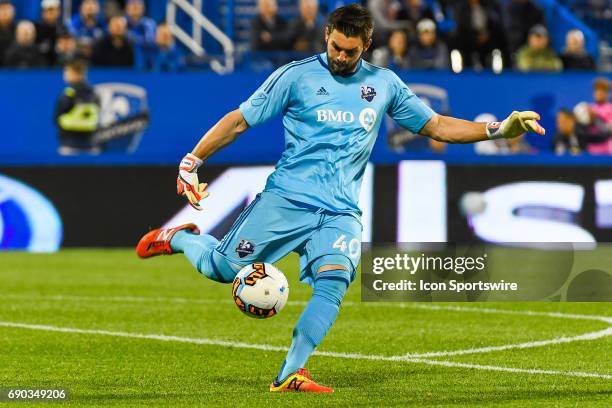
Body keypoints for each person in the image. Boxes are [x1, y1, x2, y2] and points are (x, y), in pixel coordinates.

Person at [136, 4, 545, 393]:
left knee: (333, 284)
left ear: (366, 46)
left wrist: (497, 130)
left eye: (351, 51)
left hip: (341, 211)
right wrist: (193, 160)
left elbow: (436, 126)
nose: (341, 56)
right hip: (286, 200)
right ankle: (180, 238)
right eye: (335, 47)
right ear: (326, 34)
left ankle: (290, 373)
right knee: (221, 268)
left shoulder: (383, 84)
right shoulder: (294, 77)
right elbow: (240, 120)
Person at [55, 60, 100, 155]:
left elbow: (56, 118)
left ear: (75, 73)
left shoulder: (69, 94)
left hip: (70, 143)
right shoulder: (94, 94)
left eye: (67, 71)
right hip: (90, 142)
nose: (65, 74)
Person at [36, 0, 66, 65]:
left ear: (58, 11)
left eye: (52, 10)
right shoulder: (37, 29)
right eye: (47, 10)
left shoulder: (63, 29)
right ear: (43, 12)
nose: (50, 13)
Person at [0, 0, 16, 66]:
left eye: (7, 9)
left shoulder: (19, 30)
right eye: (2, 9)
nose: (5, 12)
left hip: (15, 69)